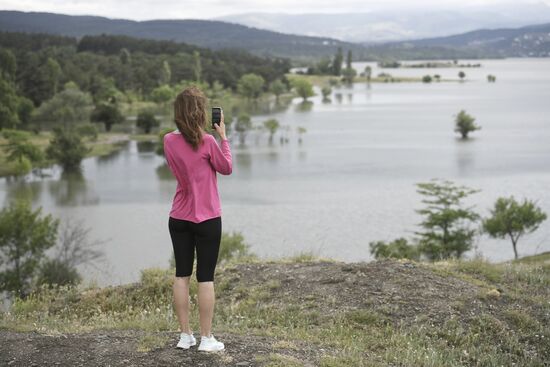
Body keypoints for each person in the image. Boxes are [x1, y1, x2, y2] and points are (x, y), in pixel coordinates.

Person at [163, 86, 232, 352]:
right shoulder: (208, 142)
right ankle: (206, 339)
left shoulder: (168, 140)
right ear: (200, 112)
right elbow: (226, 168)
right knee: (205, 278)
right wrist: (223, 137)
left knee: (181, 275)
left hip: (178, 217)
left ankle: (184, 336)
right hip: (207, 219)